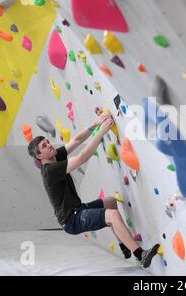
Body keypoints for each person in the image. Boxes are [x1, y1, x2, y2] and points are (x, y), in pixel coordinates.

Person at [27, 113, 159, 268]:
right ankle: (140, 255)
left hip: (78, 209)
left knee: (110, 202)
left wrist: (95, 123)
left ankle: (124, 246)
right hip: (72, 220)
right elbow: (82, 157)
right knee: (112, 215)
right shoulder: (50, 170)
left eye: (47, 142)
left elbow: (76, 140)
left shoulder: (55, 156)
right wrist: (101, 131)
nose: (49, 145)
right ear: (39, 156)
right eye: (44, 146)